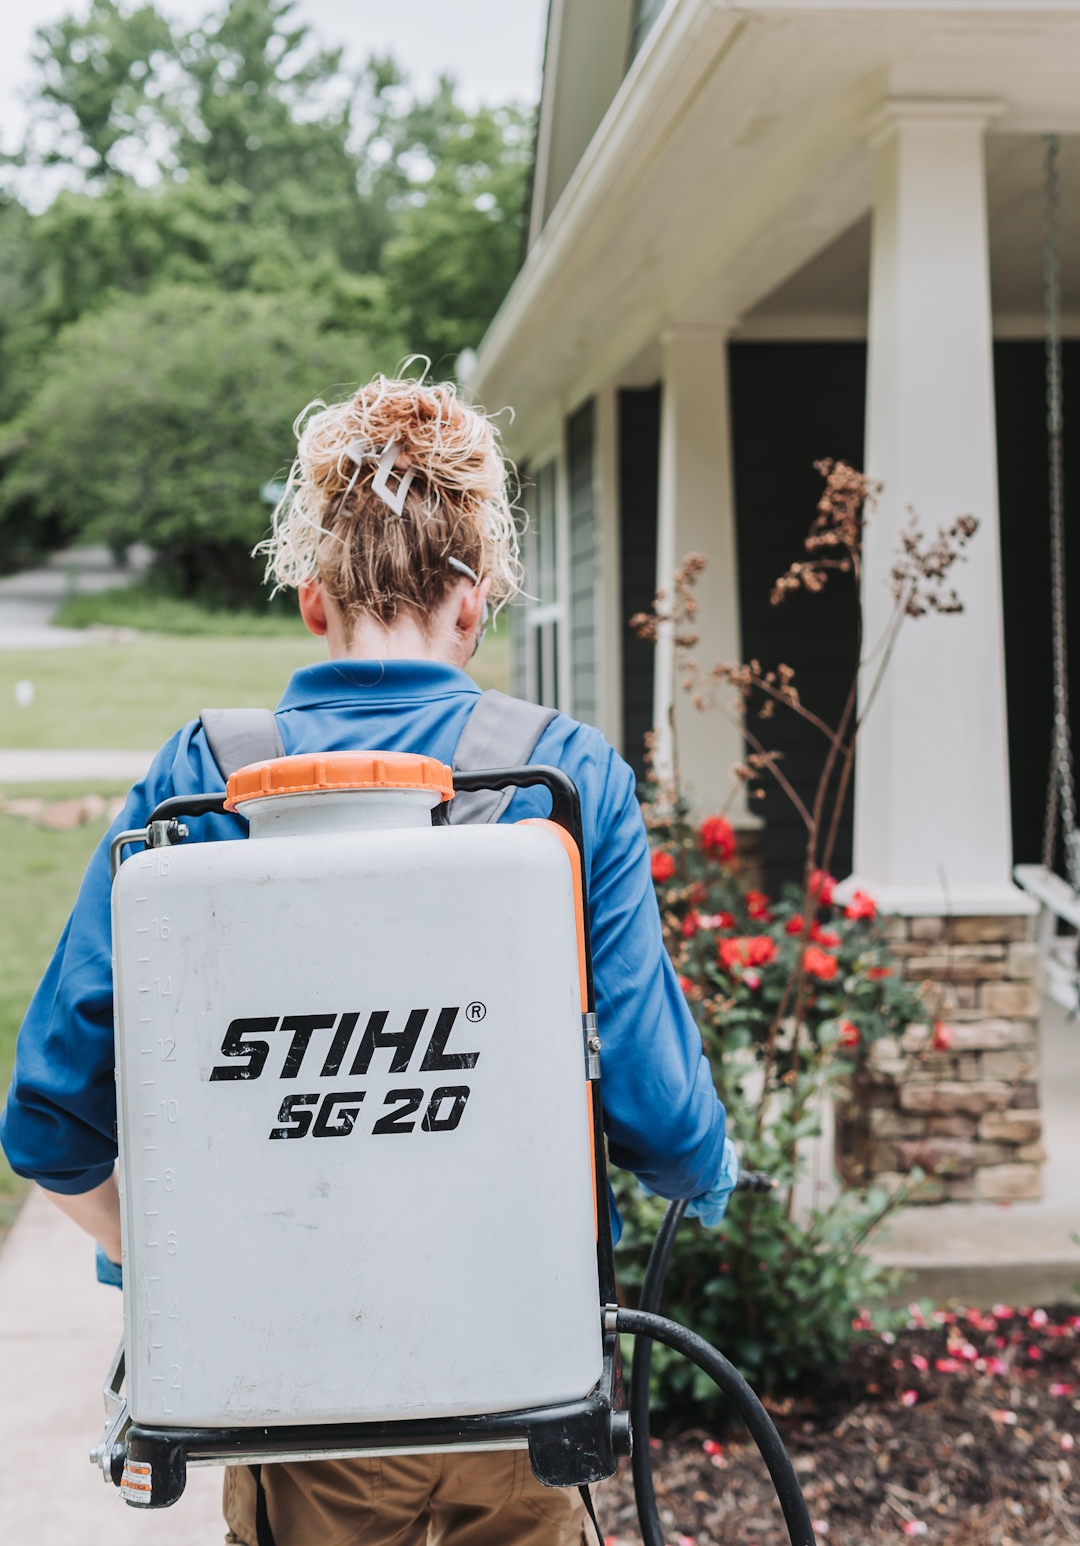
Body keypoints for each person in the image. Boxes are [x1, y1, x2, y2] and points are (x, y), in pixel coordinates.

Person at [0, 372, 736, 1546]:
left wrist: (179, 1270)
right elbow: (661, 1113)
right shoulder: (561, 779)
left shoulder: (203, 778)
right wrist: (704, 1164)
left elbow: (47, 1118)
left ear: (312, 601)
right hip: (520, 1381)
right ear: (474, 606)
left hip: (302, 1410)